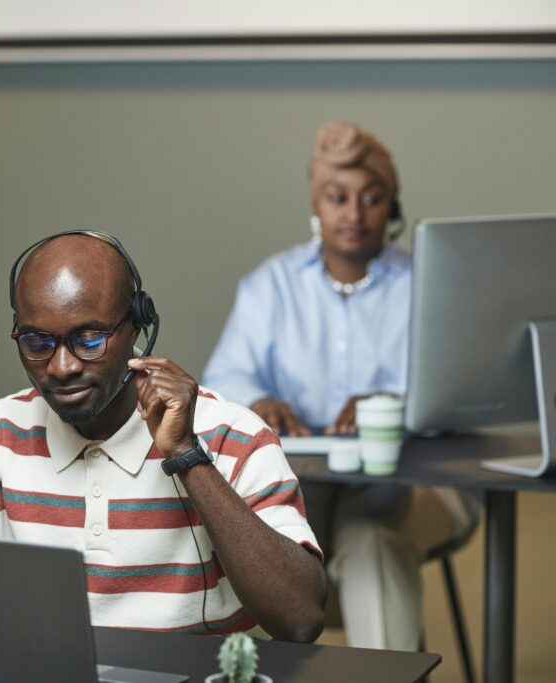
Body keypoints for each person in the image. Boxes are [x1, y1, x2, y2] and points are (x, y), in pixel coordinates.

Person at [0, 231, 326, 642]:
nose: (62, 366)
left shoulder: (236, 435)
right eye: (37, 340)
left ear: (140, 325)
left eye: (89, 339)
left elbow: (300, 619)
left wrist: (186, 454)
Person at [202, 121, 476, 650]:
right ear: (316, 204)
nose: (353, 213)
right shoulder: (271, 286)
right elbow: (223, 379)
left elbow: (459, 388)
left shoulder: (429, 283)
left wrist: (397, 404)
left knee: (372, 538)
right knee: (286, 542)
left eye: (372, 198)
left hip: (411, 483)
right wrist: (258, 401)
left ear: (392, 208)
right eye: (338, 197)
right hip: (305, 485)